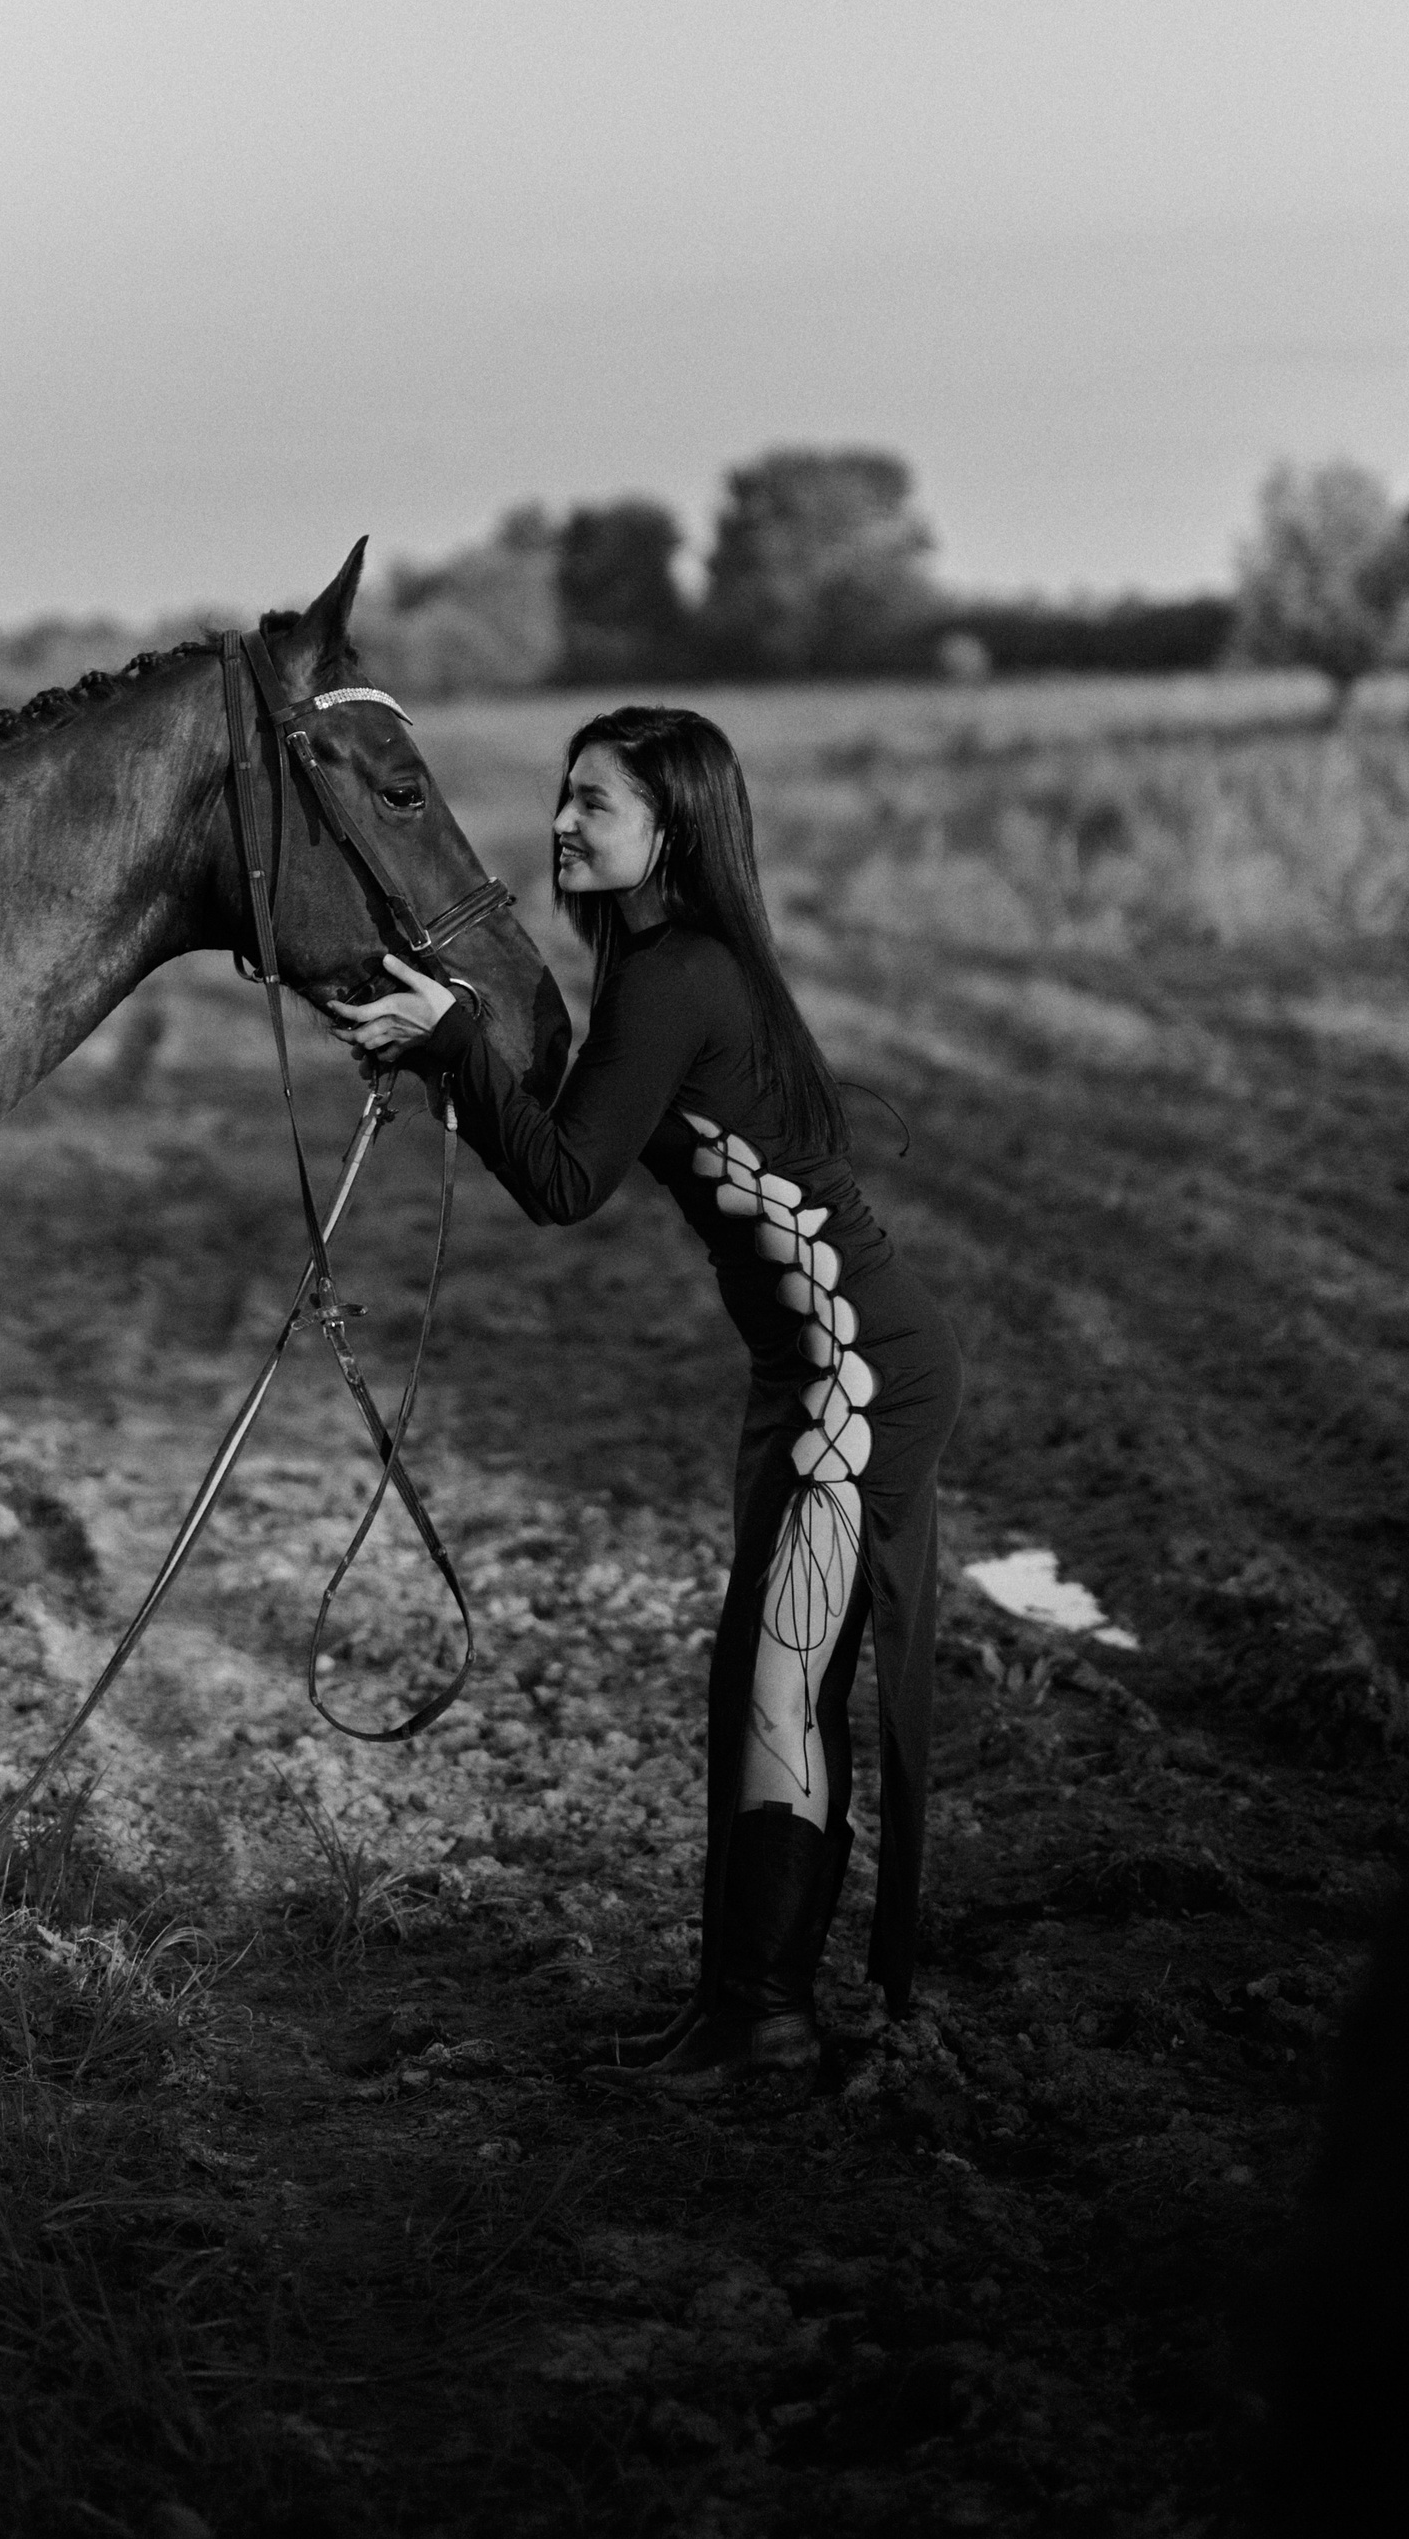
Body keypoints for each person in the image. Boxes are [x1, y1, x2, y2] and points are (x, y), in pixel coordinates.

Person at [333, 706, 961, 2091]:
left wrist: (457, 1051)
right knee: (758, 1678)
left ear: (669, 825)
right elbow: (569, 1132)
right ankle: (730, 2010)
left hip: (854, 1375)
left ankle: (771, 2026)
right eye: (563, 794)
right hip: (807, 1369)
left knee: (781, 1686)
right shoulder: (664, 968)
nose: (562, 822)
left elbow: (561, 1185)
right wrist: (444, 1047)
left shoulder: (679, 972)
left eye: (594, 803)